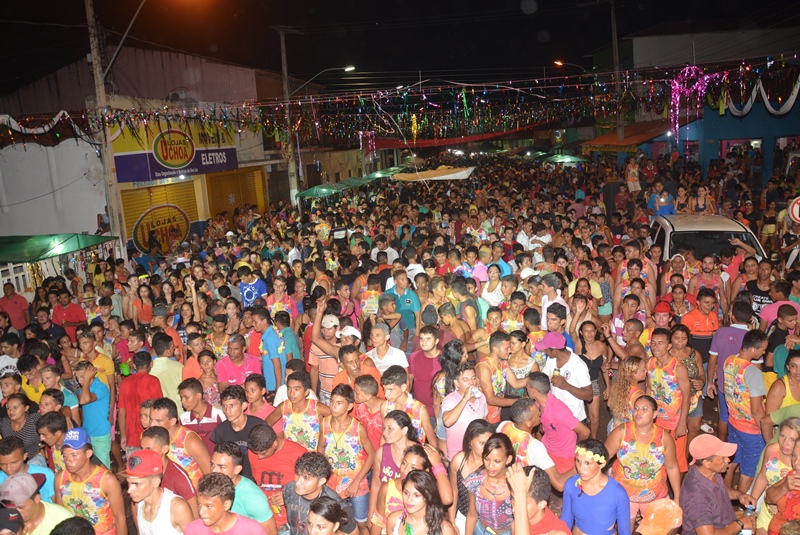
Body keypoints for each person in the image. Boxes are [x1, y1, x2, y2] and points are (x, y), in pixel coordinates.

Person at [605, 395, 681, 531]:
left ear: (655, 414)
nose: (638, 412)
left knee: (655, 530)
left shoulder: (664, 438)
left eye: (644, 409)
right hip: (624, 495)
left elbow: (672, 467)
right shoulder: (621, 432)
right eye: (636, 408)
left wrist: (677, 497)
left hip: (655, 495)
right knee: (625, 531)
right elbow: (601, 459)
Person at [317, 384, 374, 535]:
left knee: (361, 523)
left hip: (357, 484)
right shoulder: (324, 423)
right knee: (337, 522)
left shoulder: (358, 428)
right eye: (332, 401)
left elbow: (372, 455)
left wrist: (356, 482)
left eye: (339, 403)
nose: (333, 406)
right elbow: (320, 449)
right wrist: (324, 476)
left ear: (349, 406)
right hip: (332, 484)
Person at [54, 427, 127, 535]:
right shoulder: (60, 479)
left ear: (88, 453)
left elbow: (120, 518)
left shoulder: (107, 480)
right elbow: (60, 515)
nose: (68, 460)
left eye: (74, 455)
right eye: (65, 456)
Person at [680, 434, 756, 535]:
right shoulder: (696, 498)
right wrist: (739, 524)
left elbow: (720, 488)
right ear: (707, 463)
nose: (728, 460)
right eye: (723, 458)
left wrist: (739, 495)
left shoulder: (709, 472)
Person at [723, 328, 768, 492]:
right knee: (748, 472)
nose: (764, 352)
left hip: (733, 422)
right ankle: (742, 502)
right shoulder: (753, 372)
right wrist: (766, 430)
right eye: (763, 349)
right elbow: (756, 410)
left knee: (731, 462)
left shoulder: (729, 360)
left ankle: (725, 495)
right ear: (753, 349)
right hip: (751, 430)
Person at [496, 398, 571, 491]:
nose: (540, 413)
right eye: (537, 413)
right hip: (523, 490)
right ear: (528, 423)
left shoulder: (504, 426)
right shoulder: (534, 447)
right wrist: (578, 463)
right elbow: (559, 485)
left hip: (504, 481)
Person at [561, 439, 630, 535]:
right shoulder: (571, 484)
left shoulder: (617, 493)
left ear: (602, 464)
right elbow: (566, 520)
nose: (581, 468)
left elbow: (624, 531)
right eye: (578, 461)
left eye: (587, 463)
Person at [646, 328, 690, 472]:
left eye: (660, 343)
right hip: (656, 421)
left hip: (674, 423)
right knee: (656, 458)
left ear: (669, 346)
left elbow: (687, 396)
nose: (655, 346)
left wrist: (682, 423)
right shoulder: (650, 363)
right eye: (653, 343)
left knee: (677, 463)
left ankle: (677, 488)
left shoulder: (678, 367)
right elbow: (649, 388)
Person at [247, 424, 307, 529]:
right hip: (261, 520)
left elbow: (313, 489)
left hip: (289, 523)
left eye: (263, 453)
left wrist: (290, 496)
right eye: (256, 453)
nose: (259, 457)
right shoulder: (253, 453)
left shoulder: (299, 454)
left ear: (274, 443)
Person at [209, 442, 277, 535]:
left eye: (221, 467)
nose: (214, 471)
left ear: (237, 469)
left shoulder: (253, 497)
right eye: (212, 464)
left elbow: (271, 532)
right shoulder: (209, 486)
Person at [283, 452, 357, 535]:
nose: (298, 483)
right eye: (297, 474)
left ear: (321, 481)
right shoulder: (289, 489)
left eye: (306, 478)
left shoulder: (338, 506)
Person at [125, 449, 193, 535]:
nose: (129, 490)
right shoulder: (137, 504)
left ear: (155, 482)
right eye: (129, 483)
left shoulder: (177, 507)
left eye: (137, 484)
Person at [149, 397, 211, 486]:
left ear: (172, 421)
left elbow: (210, 474)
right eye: (151, 419)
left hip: (194, 492)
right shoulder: (150, 438)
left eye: (158, 421)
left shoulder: (190, 441)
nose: (152, 424)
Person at [139, 426, 199, 517]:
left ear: (164, 449)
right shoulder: (141, 472)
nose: (143, 453)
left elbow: (194, 513)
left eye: (148, 449)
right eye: (142, 448)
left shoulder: (178, 476)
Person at [464, 433, 516, 535]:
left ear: (508, 459)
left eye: (497, 461)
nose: (490, 466)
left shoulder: (516, 482)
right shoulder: (474, 481)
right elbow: (472, 514)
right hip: (481, 531)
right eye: (487, 459)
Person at [535, 331, 593, 421]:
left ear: (555, 351)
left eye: (546, 349)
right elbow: (544, 377)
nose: (544, 351)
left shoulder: (578, 365)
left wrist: (566, 386)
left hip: (573, 416)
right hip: (555, 413)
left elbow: (589, 396)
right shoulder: (551, 359)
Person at [184, 473, 266, 535]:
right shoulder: (192, 530)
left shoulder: (252, 531)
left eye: (208, 506)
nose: (201, 512)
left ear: (226, 505)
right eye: (199, 504)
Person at [209, 385, 263, 480]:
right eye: (224, 406)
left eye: (232, 406)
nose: (227, 411)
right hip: (232, 481)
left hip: (257, 479)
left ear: (244, 406)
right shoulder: (221, 431)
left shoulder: (258, 426)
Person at [118, 351, 164, 456]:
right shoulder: (153, 381)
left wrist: (123, 435)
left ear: (134, 365)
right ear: (151, 364)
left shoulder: (125, 383)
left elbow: (121, 412)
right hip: (151, 437)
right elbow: (160, 409)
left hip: (131, 437)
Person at [0, 471, 73, 535]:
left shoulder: (63, 520)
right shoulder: (3, 519)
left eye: (20, 507)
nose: (15, 513)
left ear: (36, 498)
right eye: (9, 509)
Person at [506, 464, 570, 535]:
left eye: (523, 501)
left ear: (541, 504)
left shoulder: (558, 533)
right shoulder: (515, 524)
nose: (514, 508)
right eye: (513, 498)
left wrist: (520, 495)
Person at [441, 362, 488, 460]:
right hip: (458, 456)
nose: (471, 383)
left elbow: (485, 422)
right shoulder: (450, 400)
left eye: (473, 378)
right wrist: (465, 399)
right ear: (457, 383)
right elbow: (447, 422)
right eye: (465, 380)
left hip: (478, 453)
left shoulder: (481, 397)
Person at [386, 470, 456, 535]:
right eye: (406, 493)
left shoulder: (444, 529)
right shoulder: (394, 520)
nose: (409, 499)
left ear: (427, 497)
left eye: (416, 495)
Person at [380, 366, 435, 446]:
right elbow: (384, 433)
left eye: (391, 389)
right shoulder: (385, 407)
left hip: (415, 452)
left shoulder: (420, 409)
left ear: (403, 387)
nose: (386, 394)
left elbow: (432, 440)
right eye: (384, 389)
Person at [178, 378, 226, 456]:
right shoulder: (183, 419)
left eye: (186, 397)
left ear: (198, 396)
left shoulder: (219, 415)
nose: (182, 401)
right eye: (181, 398)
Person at [0, 436, 55, 503]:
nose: (9, 469)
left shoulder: (46, 474)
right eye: (2, 464)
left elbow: (57, 504)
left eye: (14, 463)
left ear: (24, 456)